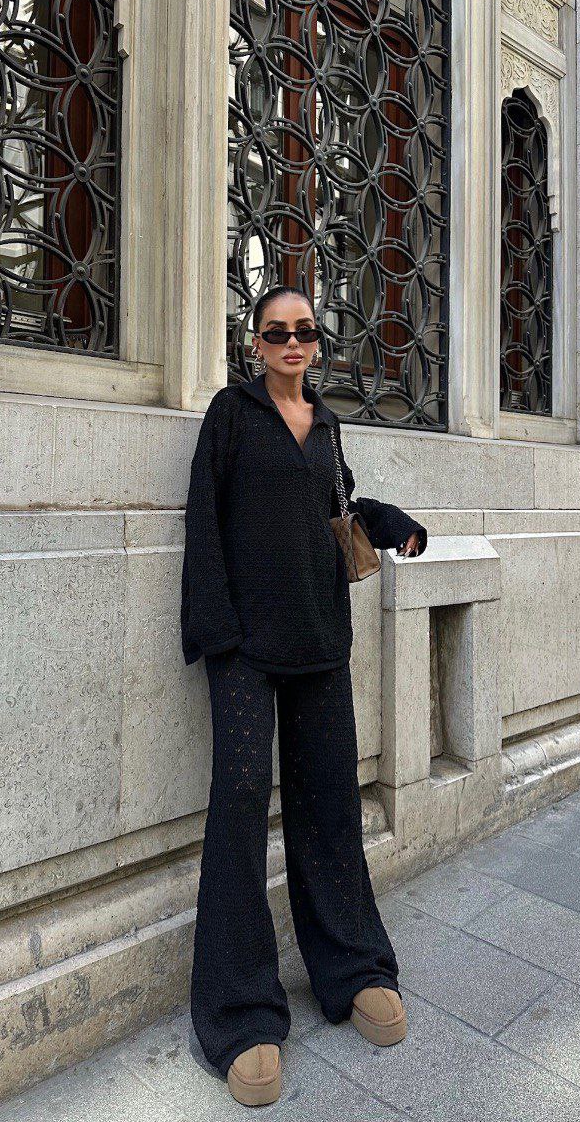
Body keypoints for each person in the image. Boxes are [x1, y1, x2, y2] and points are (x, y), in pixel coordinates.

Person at [180, 285, 428, 1106]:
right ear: (255, 343)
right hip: (246, 648)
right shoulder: (232, 414)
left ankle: (353, 967)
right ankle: (242, 1010)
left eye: (305, 331)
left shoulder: (326, 424)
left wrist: (390, 522)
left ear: (317, 342)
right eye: (276, 332)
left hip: (322, 639)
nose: (292, 342)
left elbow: (338, 505)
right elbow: (204, 520)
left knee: (329, 801)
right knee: (242, 800)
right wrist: (215, 635)